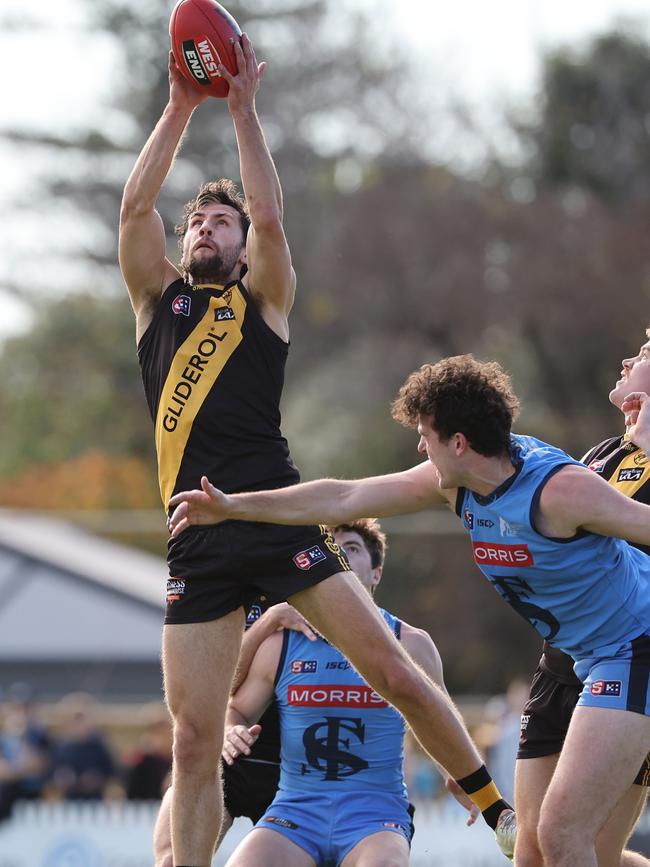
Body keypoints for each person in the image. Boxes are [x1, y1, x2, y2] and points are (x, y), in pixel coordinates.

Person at [119, 41, 508, 863]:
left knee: (396, 671)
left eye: (217, 221)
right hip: (196, 533)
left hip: (277, 516)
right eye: (197, 219)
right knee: (194, 740)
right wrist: (181, 105)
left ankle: (495, 810)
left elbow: (269, 217)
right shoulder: (159, 302)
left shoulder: (263, 302)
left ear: (239, 246)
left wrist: (243, 111)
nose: (204, 227)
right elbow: (132, 214)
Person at [168, 353, 650, 867]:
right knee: (530, 853)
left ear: (459, 444)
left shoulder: (560, 490)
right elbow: (344, 496)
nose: (420, 446)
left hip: (632, 648)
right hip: (573, 658)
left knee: (561, 834)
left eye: (426, 435)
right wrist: (233, 506)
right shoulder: (457, 483)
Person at [221, 519, 478, 867]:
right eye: (332, 549)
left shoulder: (411, 644)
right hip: (295, 814)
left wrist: (464, 778)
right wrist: (230, 729)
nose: (339, 554)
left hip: (376, 816)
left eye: (352, 549)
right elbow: (235, 709)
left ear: (376, 574)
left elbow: (442, 721)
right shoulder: (281, 645)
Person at [511, 331, 650, 866]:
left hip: (631, 665)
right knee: (532, 851)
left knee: (587, 848)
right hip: (560, 664)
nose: (626, 359)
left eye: (642, 357)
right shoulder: (603, 454)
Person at [153, 600, 318, 867]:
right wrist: (269, 621)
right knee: (172, 859)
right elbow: (216, 682)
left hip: (292, 774)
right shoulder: (226, 588)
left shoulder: (316, 588)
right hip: (223, 758)